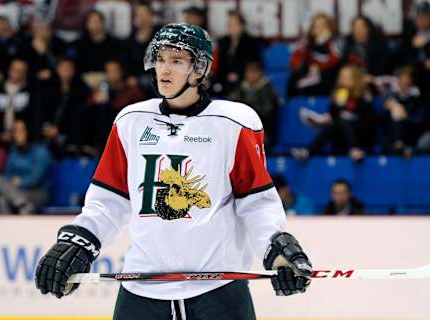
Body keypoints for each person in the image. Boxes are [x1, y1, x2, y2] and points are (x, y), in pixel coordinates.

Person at [35, 23, 312, 320]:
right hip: (142, 288)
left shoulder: (234, 123)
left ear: (200, 69)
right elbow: (109, 199)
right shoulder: (131, 120)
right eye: (161, 59)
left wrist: (276, 247)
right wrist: (80, 240)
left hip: (218, 288)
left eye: (177, 61)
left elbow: (255, 202)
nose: (164, 69)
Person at [0, 120, 52, 214]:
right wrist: (11, 182)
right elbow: (8, 173)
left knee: (3, 199)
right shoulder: (13, 150)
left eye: (20, 131)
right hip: (16, 191)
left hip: (38, 192)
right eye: (14, 131)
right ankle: (22, 204)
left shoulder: (41, 151)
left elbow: (36, 179)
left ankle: (21, 203)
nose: (16, 134)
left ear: (28, 132)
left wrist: (20, 182)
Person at [229, 61, 280, 149]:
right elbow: (231, 106)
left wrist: (249, 108)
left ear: (260, 73)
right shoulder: (240, 88)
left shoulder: (268, 89)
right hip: (240, 129)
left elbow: (267, 112)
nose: (251, 75)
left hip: (263, 130)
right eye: (249, 71)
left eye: (254, 71)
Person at [287, 13, 340, 98]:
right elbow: (300, 62)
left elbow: (334, 61)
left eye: (323, 26)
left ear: (329, 28)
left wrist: (322, 42)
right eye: (316, 26)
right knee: (293, 79)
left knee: (326, 77)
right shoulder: (308, 44)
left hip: (328, 77)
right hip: (310, 76)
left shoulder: (335, 43)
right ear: (312, 29)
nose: (319, 29)